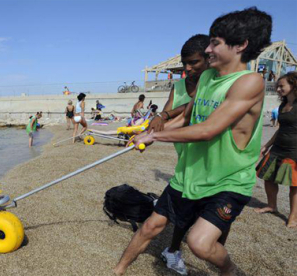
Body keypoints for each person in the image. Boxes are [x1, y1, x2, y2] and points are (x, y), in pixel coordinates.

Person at [114, 7, 272, 276]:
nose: (208, 49)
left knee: (198, 242)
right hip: (191, 173)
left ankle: (231, 270)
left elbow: (207, 130)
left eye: (215, 42)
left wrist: (155, 135)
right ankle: (117, 269)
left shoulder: (250, 82)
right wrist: (148, 134)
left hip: (228, 181)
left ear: (241, 46)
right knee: (151, 225)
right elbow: (188, 117)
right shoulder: (208, 76)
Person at [146, 34, 210, 275]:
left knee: (196, 208)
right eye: (185, 63)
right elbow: (167, 113)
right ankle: (174, 249)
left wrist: (166, 118)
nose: (188, 68)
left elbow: (189, 111)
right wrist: (154, 126)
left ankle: (176, 250)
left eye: (194, 62)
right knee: (186, 207)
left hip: (207, 152)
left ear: (209, 58)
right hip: (185, 151)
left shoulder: (212, 83)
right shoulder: (180, 85)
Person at [255, 72, 297, 228]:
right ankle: (272, 205)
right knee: (268, 176)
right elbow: (281, 129)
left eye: (281, 86)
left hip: (294, 150)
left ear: (293, 85)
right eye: (277, 86)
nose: (278, 89)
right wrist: (267, 145)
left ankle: (293, 217)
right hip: (278, 147)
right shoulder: (282, 105)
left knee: (295, 185)